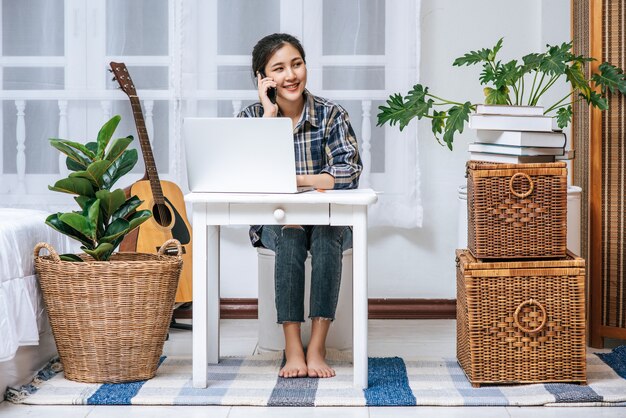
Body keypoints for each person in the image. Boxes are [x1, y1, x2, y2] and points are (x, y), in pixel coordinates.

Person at [238, 33, 362, 378]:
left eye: (297, 64)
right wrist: (269, 115)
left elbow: (349, 171)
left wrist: (295, 180)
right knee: (291, 235)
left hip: (327, 220)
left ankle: (317, 346)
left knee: (324, 236)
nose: (291, 75)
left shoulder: (332, 114)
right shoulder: (252, 117)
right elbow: (248, 175)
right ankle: (293, 347)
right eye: (278, 68)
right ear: (263, 79)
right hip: (277, 223)